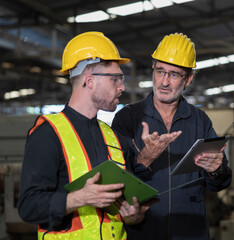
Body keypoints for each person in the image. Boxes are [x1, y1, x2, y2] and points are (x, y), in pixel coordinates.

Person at [18, 31, 150, 240]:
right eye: (115, 79)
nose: (122, 87)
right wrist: (79, 198)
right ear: (89, 81)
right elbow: (28, 207)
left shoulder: (114, 137)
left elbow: (126, 208)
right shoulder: (48, 133)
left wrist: (133, 217)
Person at [111, 32, 232, 240]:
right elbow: (115, 181)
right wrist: (144, 158)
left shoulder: (199, 120)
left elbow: (220, 183)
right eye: (160, 71)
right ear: (153, 70)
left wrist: (216, 170)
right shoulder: (128, 118)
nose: (164, 82)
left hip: (191, 231)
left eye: (174, 74)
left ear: (189, 79)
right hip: (143, 230)